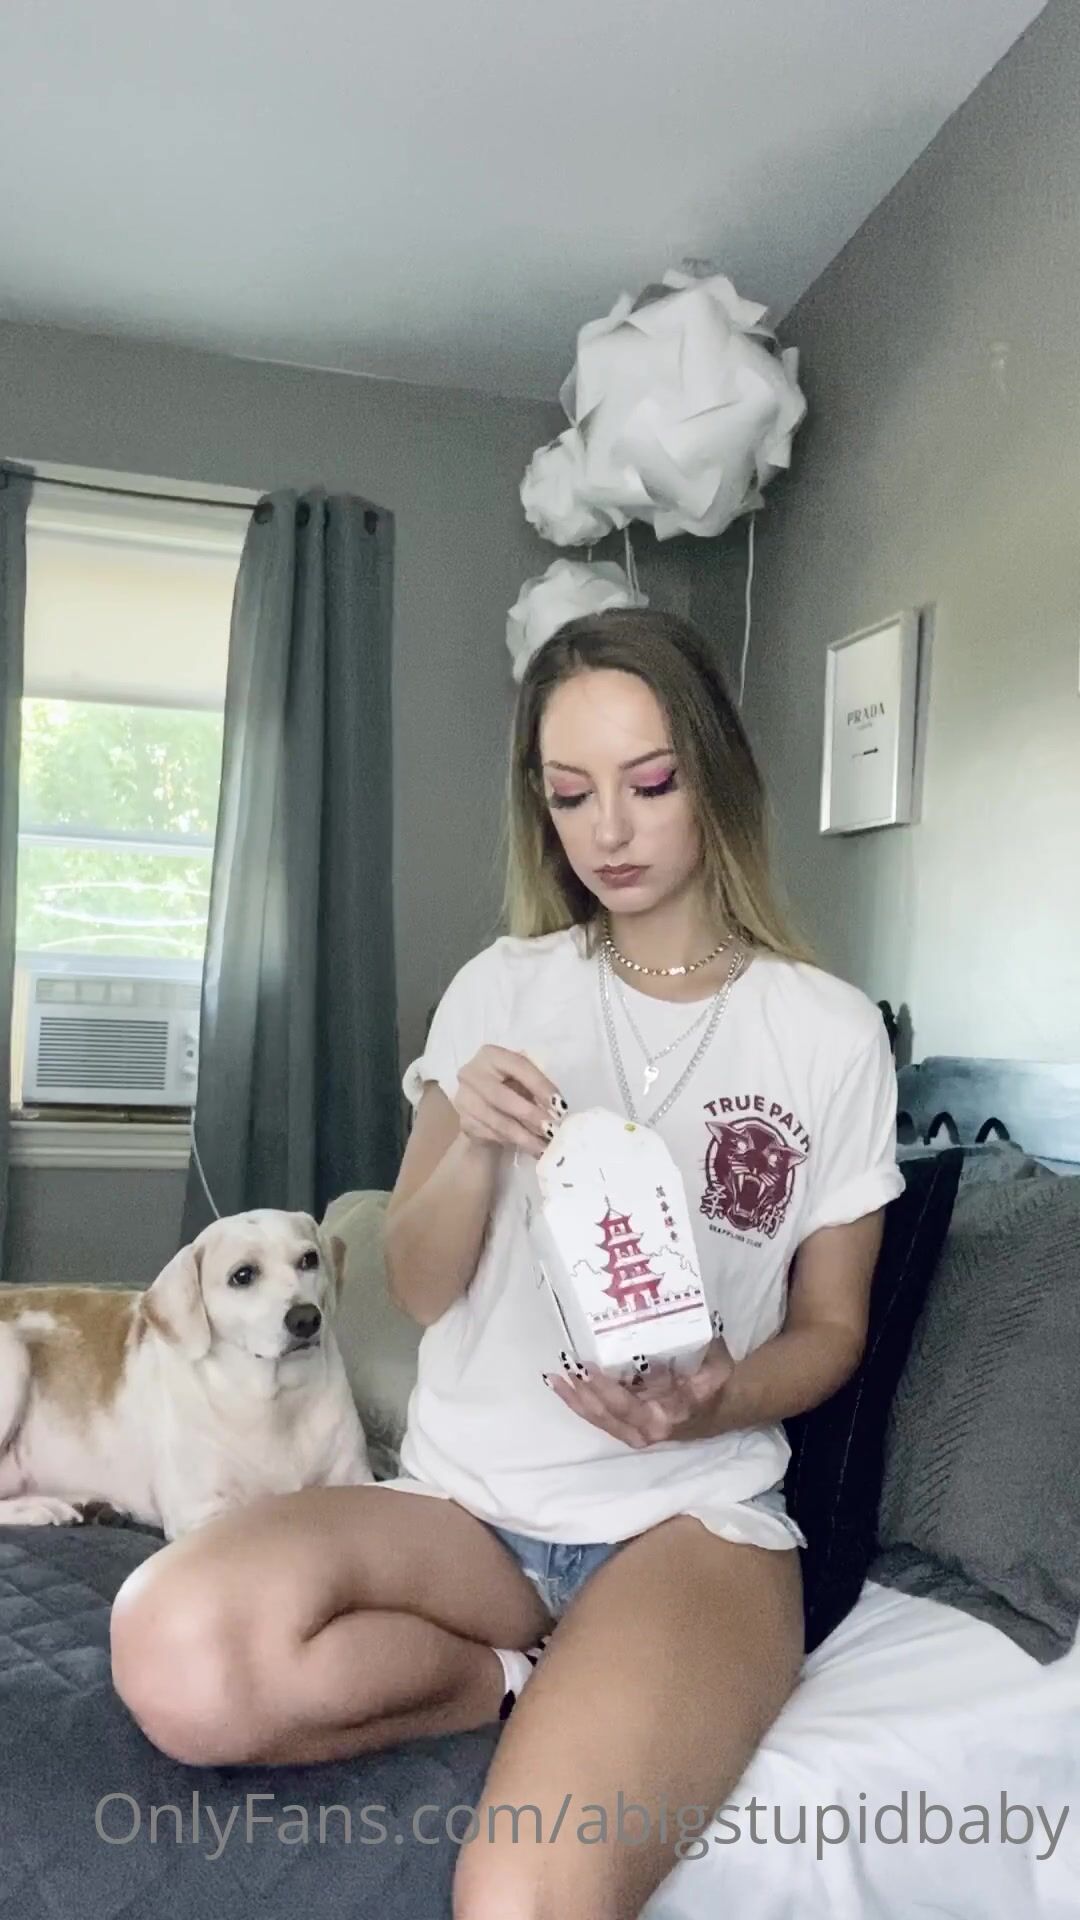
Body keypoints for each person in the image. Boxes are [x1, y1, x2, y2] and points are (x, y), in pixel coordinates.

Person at [109, 607, 905, 1920]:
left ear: (716, 772)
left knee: (524, 1895)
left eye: (651, 783)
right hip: (466, 1511)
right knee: (173, 1650)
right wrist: (474, 1142)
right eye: (570, 793)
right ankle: (504, 1676)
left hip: (684, 1521)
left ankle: (593, 1658)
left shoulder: (828, 1034)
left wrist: (718, 1397)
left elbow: (832, 1329)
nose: (609, 831)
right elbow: (419, 1288)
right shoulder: (502, 987)